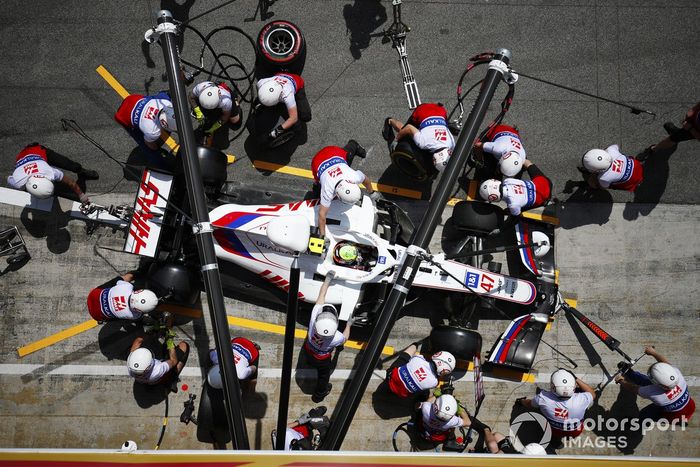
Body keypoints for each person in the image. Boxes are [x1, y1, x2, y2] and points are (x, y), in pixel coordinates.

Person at [302, 271, 351, 402]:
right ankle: (319, 394)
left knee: (308, 356)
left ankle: (308, 362)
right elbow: (345, 337)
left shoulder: (314, 320)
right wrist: (349, 324)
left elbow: (321, 294)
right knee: (324, 376)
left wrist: (327, 279)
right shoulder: (336, 338)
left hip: (309, 349)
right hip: (322, 359)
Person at [311, 141, 375, 237]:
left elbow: (365, 179)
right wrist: (322, 236)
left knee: (347, 155)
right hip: (318, 161)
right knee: (317, 186)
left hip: (334, 153)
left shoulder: (354, 176)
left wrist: (373, 192)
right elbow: (321, 215)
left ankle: (354, 145)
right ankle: (353, 145)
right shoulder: (327, 190)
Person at [615, 346, 695, 423]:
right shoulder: (676, 374)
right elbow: (665, 364)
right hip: (690, 406)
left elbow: (634, 388)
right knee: (647, 382)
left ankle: (638, 424)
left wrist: (621, 381)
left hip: (674, 416)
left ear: (660, 386)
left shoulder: (657, 396)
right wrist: (653, 353)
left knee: (645, 413)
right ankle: (630, 373)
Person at [517, 369, 595, 440]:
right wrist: (576, 378)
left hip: (554, 431)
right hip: (575, 431)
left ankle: (555, 441)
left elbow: (529, 404)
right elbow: (592, 394)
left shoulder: (543, 399)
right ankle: (568, 438)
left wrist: (521, 401)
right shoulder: (581, 399)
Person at [7, 143, 97, 201]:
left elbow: (71, 182)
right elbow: (9, 179)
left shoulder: (51, 172)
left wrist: (81, 195)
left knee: (73, 166)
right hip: (23, 157)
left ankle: (82, 173)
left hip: (39, 151)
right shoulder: (17, 181)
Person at [384, 102, 455, 173]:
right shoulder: (423, 142)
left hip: (440, 110)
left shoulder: (452, 144)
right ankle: (390, 121)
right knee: (404, 133)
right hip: (423, 110)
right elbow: (409, 128)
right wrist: (396, 140)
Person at [127, 314, 189, 392]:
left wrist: (151, 331)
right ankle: (173, 378)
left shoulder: (131, 363)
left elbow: (138, 341)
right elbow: (173, 361)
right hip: (156, 379)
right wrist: (170, 342)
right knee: (184, 346)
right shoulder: (157, 370)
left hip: (142, 379)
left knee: (149, 342)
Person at [114, 92, 177, 162]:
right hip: (123, 114)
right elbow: (150, 145)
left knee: (165, 95)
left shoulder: (166, 103)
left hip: (133, 99)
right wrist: (156, 149)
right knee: (150, 150)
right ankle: (163, 165)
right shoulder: (152, 131)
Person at [479, 159, 552, 216]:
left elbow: (517, 215)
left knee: (508, 213)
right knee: (527, 163)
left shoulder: (513, 204)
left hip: (544, 197)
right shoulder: (508, 181)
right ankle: (520, 160)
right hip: (543, 181)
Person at [385, 343, 456, 399]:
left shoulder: (419, 359)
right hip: (401, 394)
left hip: (390, 378)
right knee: (425, 392)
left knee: (405, 357)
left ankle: (415, 344)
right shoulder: (434, 383)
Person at [256, 72, 311, 141]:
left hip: (297, 82)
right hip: (281, 75)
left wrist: (277, 131)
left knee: (306, 116)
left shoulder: (287, 94)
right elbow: (259, 90)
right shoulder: (262, 82)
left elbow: (293, 118)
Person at [87, 271, 159, 322]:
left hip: (93, 295)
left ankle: (141, 271)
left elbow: (129, 277)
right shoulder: (132, 315)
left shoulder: (126, 286)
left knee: (128, 277)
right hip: (96, 314)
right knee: (120, 318)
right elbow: (141, 315)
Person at [579, 144, 643, 192]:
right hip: (637, 166)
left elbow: (603, 188)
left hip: (631, 181)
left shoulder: (604, 178)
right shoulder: (611, 150)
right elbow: (616, 146)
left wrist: (594, 178)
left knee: (592, 182)